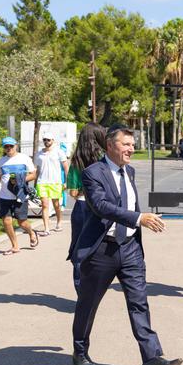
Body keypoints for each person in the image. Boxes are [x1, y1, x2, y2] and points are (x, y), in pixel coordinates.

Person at [70, 124, 182, 365]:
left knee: (138, 302)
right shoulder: (92, 173)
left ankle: (152, 358)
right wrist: (138, 218)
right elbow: (101, 206)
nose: (132, 149)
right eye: (126, 144)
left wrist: (138, 222)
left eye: (133, 144)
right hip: (102, 250)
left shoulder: (129, 171)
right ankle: (79, 351)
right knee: (88, 303)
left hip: (130, 248)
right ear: (110, 145)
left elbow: (128, 203)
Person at [66, 122, 107, 289]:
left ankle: (81, 290)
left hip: (82, 207)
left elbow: (73, 192)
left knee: (79, 249)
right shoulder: (105, 159)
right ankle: (95, 289)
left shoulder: (76, 160)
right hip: (103, 207)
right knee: (101, 248)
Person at [0, 137, 39, 256]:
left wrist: (20, 180)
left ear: (16, 146)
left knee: (22, 222)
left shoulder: (24, 158)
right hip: (4, 196)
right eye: (6, 146)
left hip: (20, 195)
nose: (8, 148)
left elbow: (33, 174)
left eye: (10, 146)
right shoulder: (1, 161)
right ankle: (15, 246)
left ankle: (32, 233)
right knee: (7, 221)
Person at [34, 130, 69, 236]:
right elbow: (37, 169)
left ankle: (59, 222)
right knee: (44, 205)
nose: (46, 142)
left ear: (53, 140)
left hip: (55, 182)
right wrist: (35, 183)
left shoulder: (59, 151)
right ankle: (46, 228)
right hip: (42, 182)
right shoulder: (39, 154)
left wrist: (67, 182)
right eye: (44, 140)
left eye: (48, 140)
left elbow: (66, 166)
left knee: (56, 204)